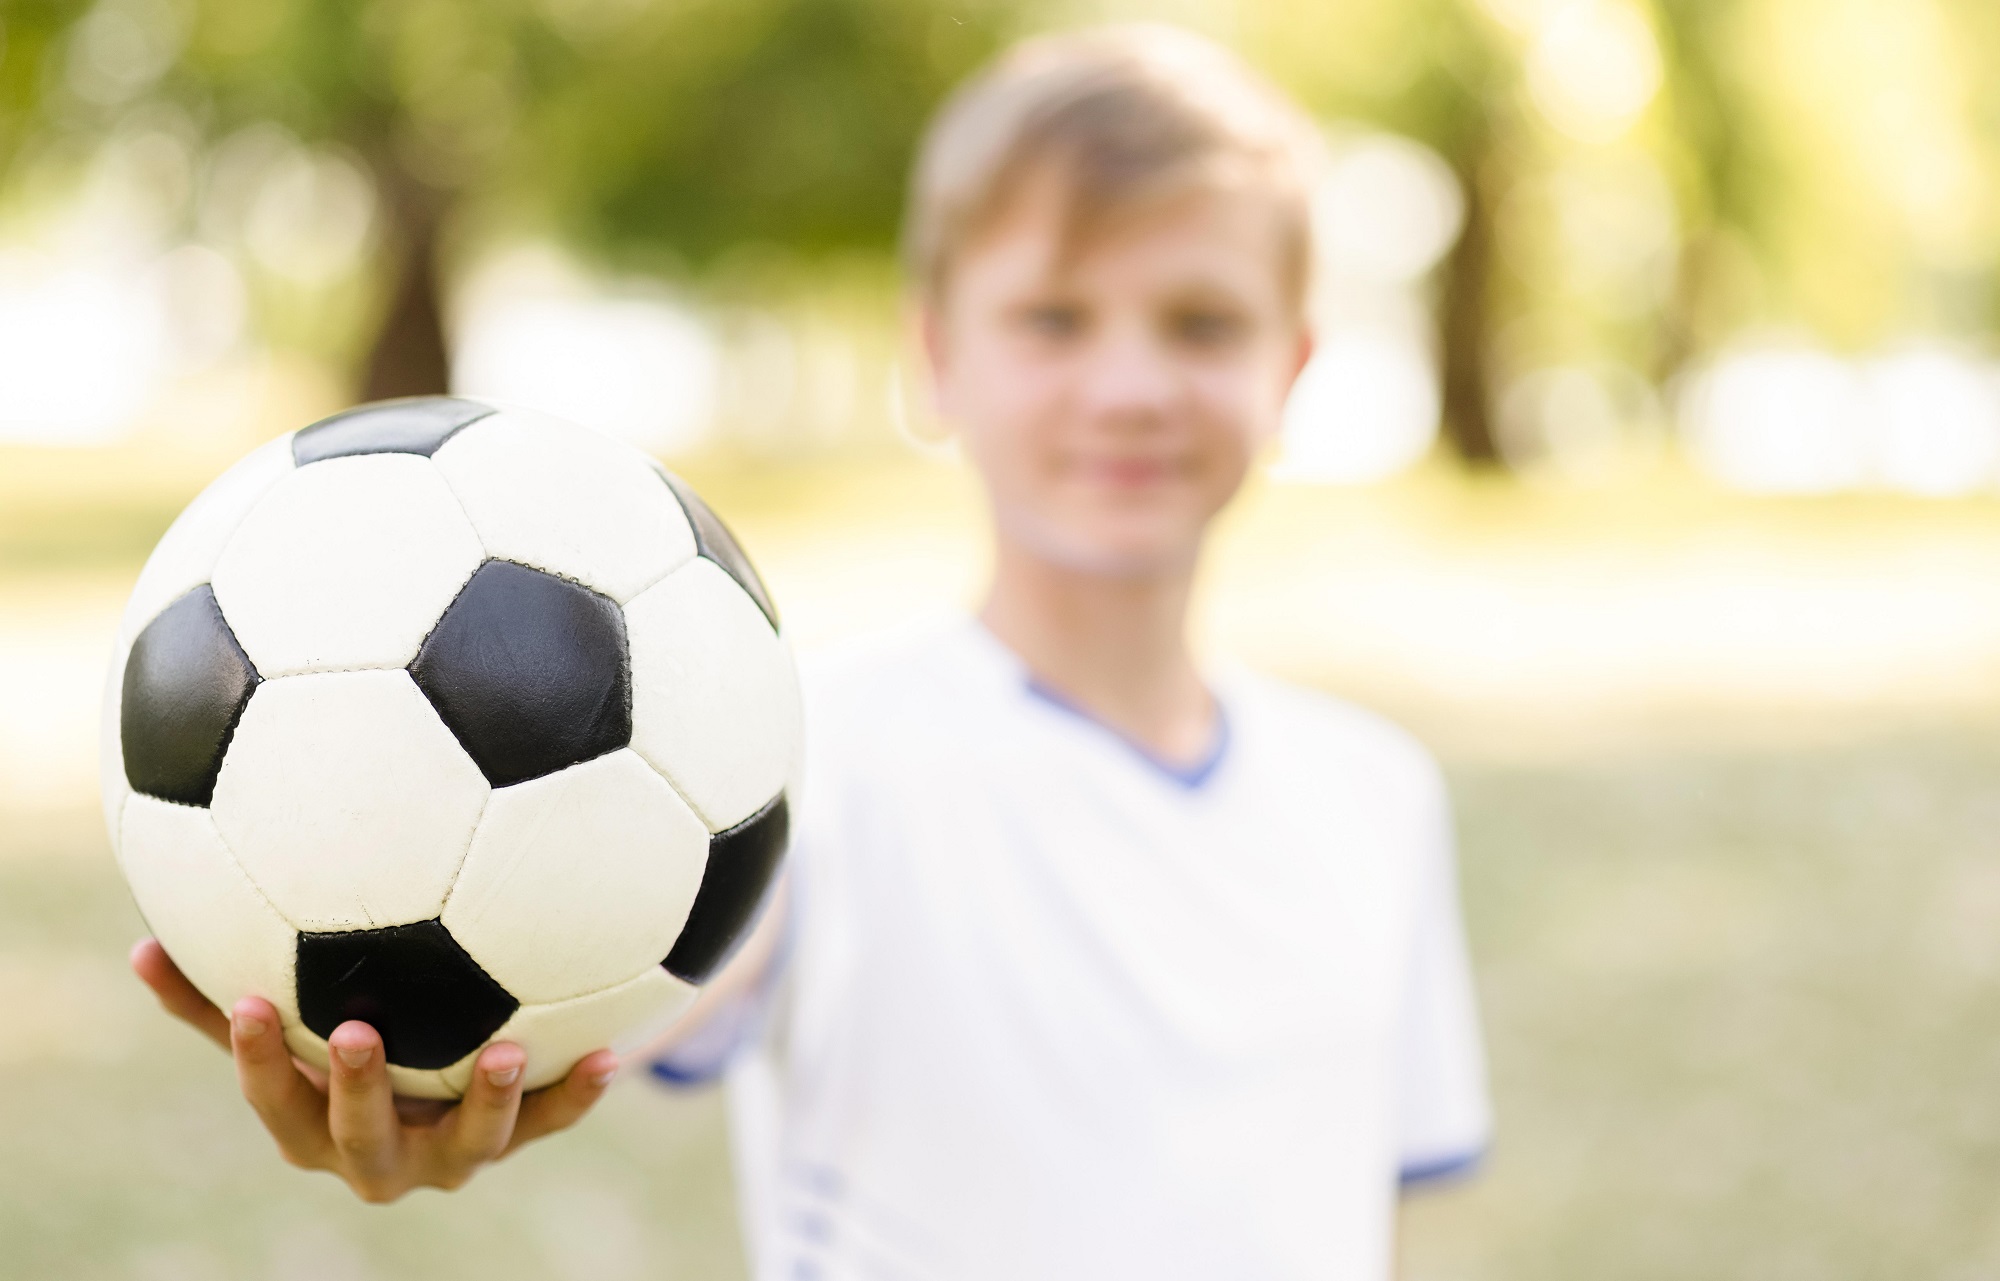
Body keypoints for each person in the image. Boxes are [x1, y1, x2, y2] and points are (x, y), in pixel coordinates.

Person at [133, 23, 1488, 1279]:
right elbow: (589, 977)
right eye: (1054, 318)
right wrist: (423, 1095)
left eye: (1201, 321)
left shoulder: (1376, 795)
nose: (1128, 384)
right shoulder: (781, 764)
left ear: (1295, 364)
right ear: (937, 357)